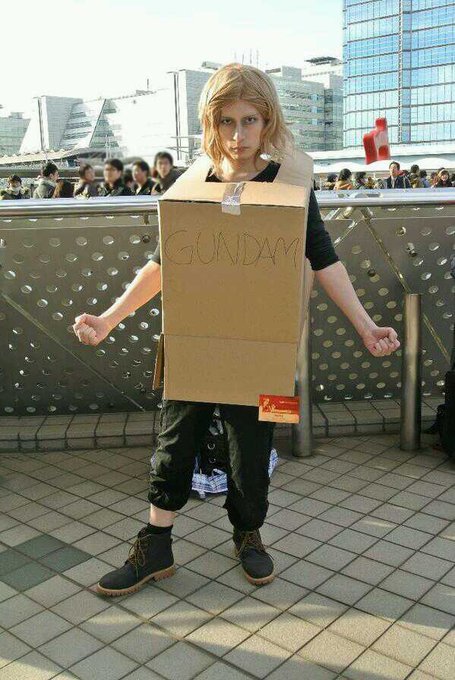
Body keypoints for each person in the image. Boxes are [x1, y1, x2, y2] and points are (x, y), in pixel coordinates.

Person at [73, 63, 400, 597]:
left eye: (250, 120)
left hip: (268, 351)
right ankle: (155, 544)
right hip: (195, 345)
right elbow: (164, 263)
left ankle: (249, 533)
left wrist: (365, 326)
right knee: (173, 444)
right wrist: (109, 318)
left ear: (267, 120)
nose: (238, 135)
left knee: (254, 449)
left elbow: (323, 257)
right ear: (211, 122)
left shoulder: (291, 185)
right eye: (226, 121)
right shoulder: (192, 184)